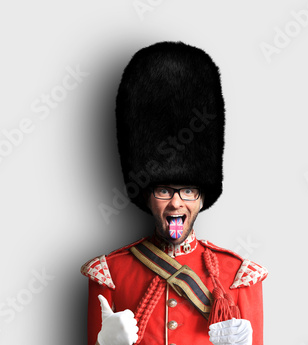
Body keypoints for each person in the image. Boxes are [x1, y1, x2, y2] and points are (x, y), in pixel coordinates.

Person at [82, 41, 268, 345]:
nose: (176, 203)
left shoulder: (239, 275)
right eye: (165, 190)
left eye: (189, 191)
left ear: (203, 197)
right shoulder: (110, 273)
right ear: (146, 194)